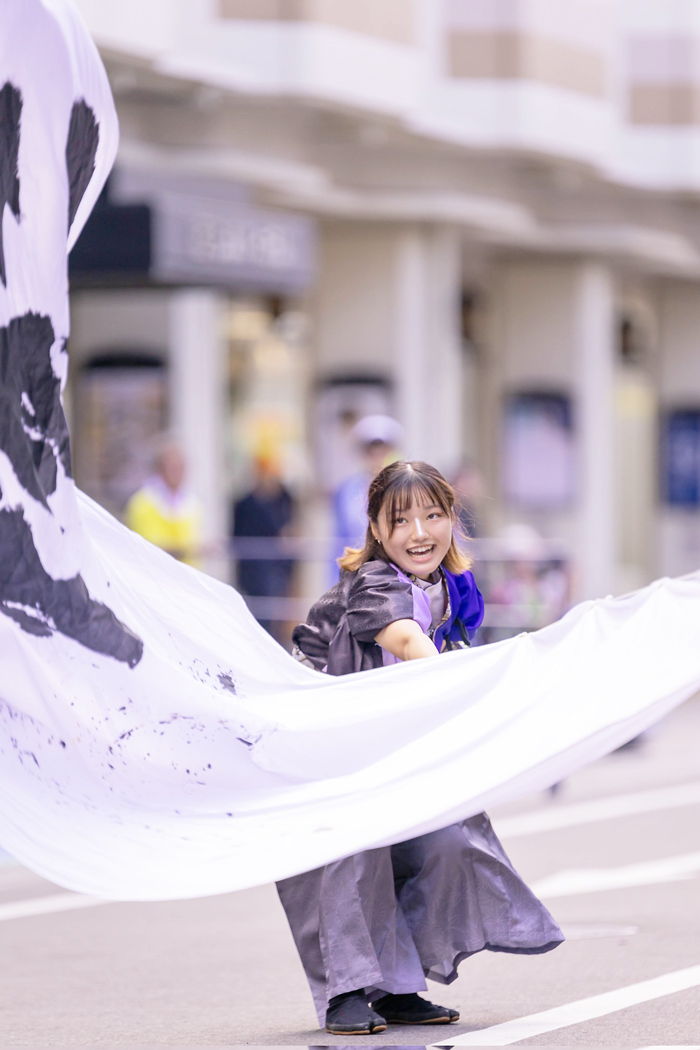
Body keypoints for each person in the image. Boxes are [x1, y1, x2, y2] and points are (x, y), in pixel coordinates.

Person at [279, 461, 564, 1035]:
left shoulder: (453, 590)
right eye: (401, 518)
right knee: (354, 858)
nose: (419, 532)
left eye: (433, 515)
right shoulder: (373, 584)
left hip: (399, 756)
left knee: (450, 847)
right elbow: (405, 640)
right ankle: (348, 991)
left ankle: (397, 982)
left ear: (452, 520)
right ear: (376, 531)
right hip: (329, 758)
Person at [331, 415, 404, 576]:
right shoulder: (347, 490)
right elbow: (338, 542)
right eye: (371, 450)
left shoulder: (403, 487)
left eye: (382, 449)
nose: (377, 456)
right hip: (357, 571)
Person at [232, 456, 295, 639]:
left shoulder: (283, 499)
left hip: (278, 569)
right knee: (259, 615)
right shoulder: (245, 504)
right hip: (254, 572)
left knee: (278, 616)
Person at [124, 437, 202, 567]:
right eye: (172, 467)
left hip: (185, 579)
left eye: (180, 467)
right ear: (160, 468)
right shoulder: (143, 502)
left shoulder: (192, 503)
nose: (177, 473)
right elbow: (148, 547)